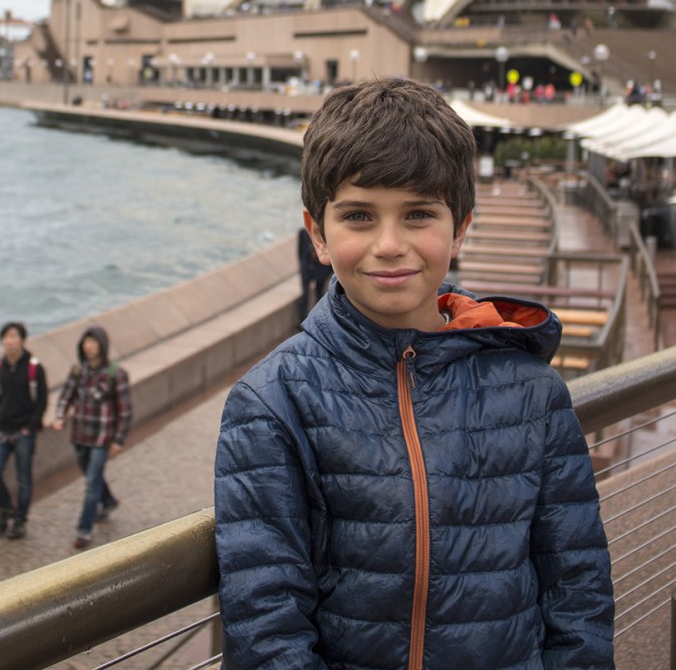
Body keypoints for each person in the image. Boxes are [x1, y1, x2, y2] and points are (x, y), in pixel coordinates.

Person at [214, 77, 615, 669]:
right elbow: (266, 622)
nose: (389, 244)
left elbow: (578, 591)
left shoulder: (533, 392)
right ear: (318, 234)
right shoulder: (272, 402)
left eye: (418, 214)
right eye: (359, 216)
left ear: (461, 228)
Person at [52, 326, 133, 549]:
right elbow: (66, 396)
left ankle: (84, 529)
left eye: (94, 343)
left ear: (102, 346)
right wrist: (59, 416)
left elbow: (125, 411)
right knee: (92, 477)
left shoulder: (116, 374)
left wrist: (118, 440)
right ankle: (109, 501)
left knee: (90, 483)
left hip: (101, 438)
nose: (89, 347)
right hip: (79, 435)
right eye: (86, 342)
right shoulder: (78, 371)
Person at [0, 321, 48, 540]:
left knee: (24, 480)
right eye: (6, 337)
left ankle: (20, 520)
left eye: (14, 336)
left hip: (24, 431)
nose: (9, 341)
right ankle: (6, 508)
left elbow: (42, 401)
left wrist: (29, 427)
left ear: (22, 340)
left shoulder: (34, 367)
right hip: (2, 430)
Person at [297, 225, 332, 324]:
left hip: (320, 269)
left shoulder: (324, 233)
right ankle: (302, 320)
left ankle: (318, 318)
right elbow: (300, 251)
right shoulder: (303, 232)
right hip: (307, 269)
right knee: (305, 295)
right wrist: (303, 267)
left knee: (319, 294)